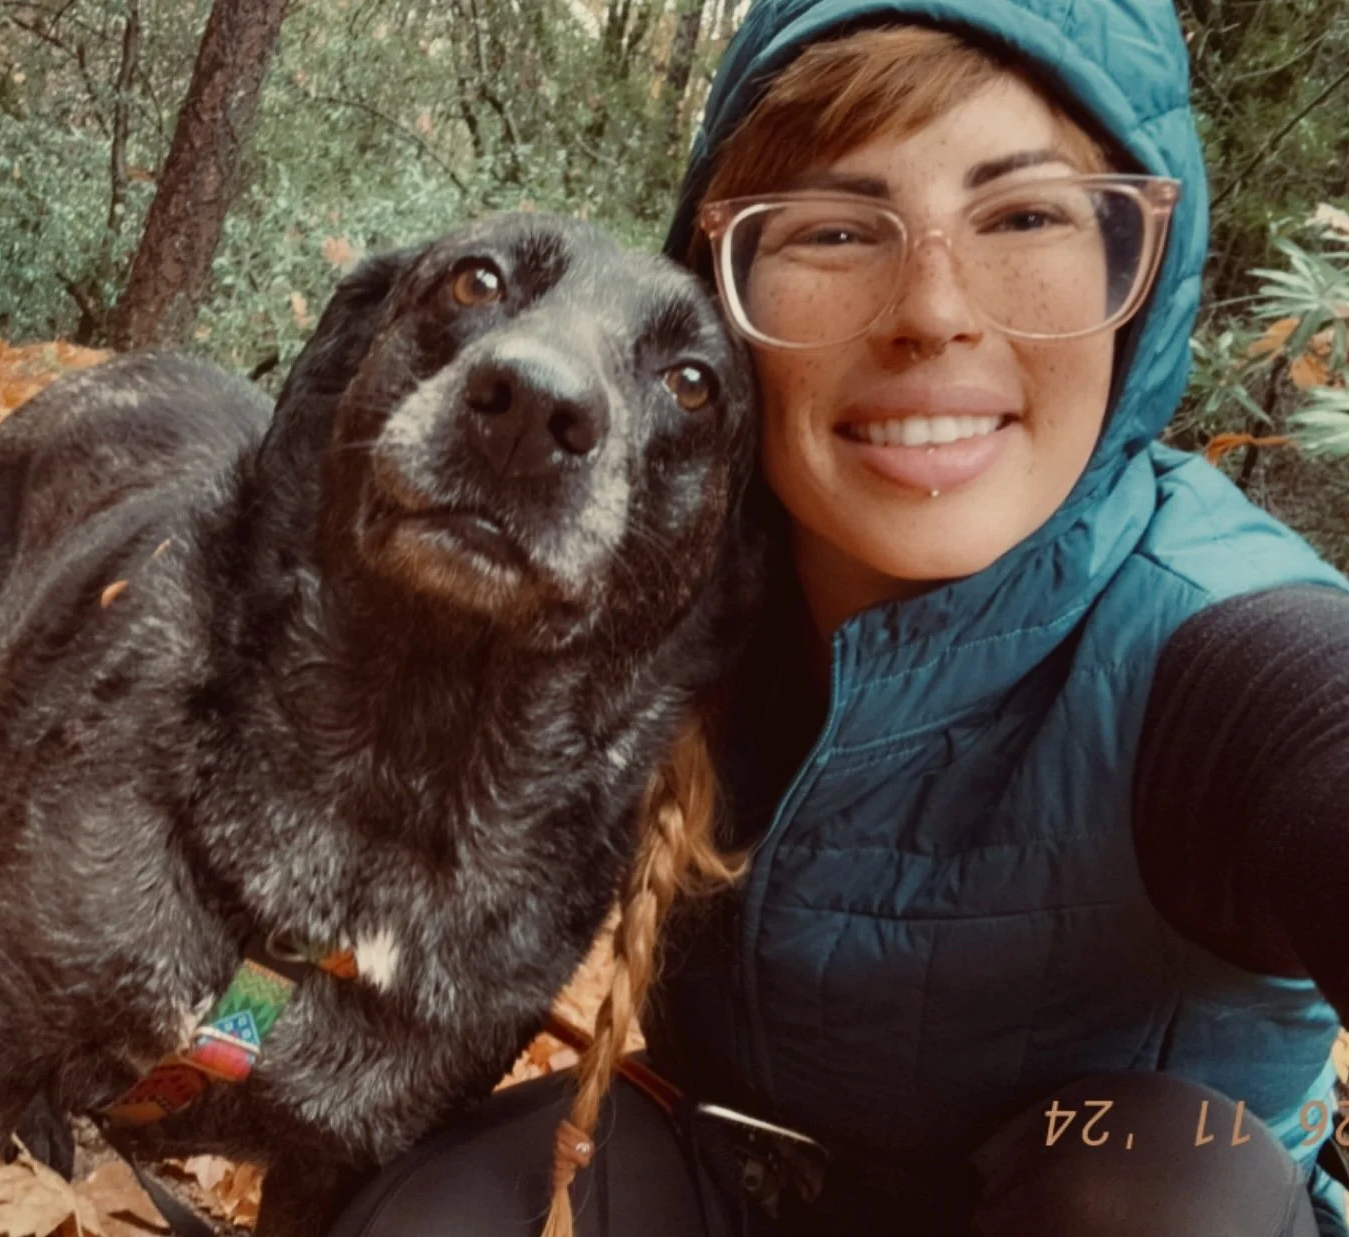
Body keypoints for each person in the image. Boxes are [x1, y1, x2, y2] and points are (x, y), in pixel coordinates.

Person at [324, 0, 1349, 1234]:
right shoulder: (634, 588)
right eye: (834, 228)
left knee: (1160, 1185)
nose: (930, 310)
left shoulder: (1224, 656)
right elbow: (301, 900)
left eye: (1023, 215)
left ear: (1139, 274)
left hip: (1109, 1192)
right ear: (718, 301)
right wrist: (208, 1046)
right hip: (728, 1175)